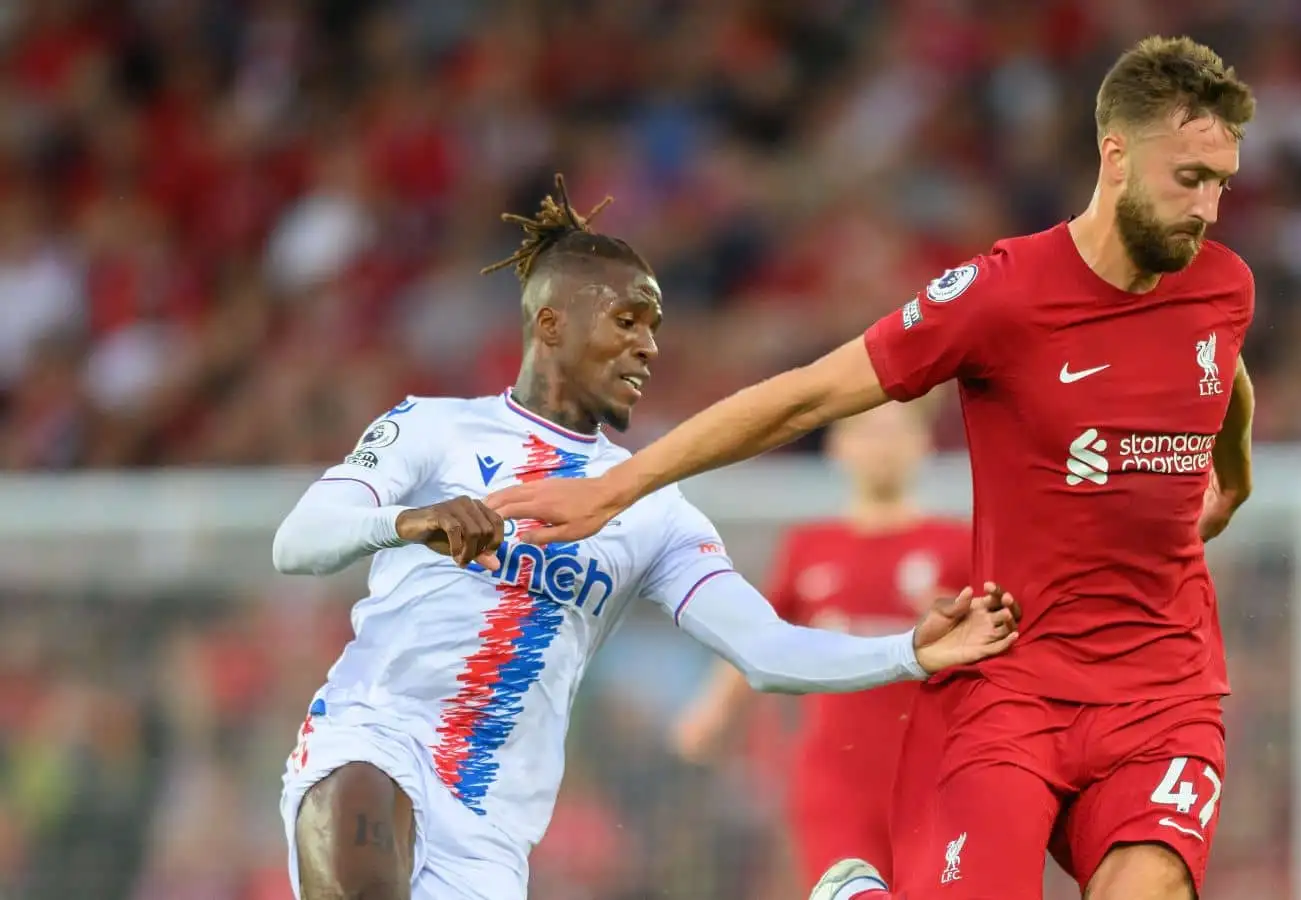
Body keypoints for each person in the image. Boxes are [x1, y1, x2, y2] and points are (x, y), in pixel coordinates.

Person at [485, 35, 1257, 900]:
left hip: (1166, 693)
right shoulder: (1003, 293)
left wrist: (1235, 475)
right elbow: (808, 396)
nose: (1208, 208)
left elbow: (1220, 368)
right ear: (1116, 155)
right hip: (1013, 686)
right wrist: (617, 485)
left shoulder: (1221, 285)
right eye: (1188, 178)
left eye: (1221, 182)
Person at [269, 177, 1021, 900]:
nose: (648, 348)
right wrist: (408, 522)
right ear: (551, 323)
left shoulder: (656, 512)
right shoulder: (431, 427)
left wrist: (909, 653)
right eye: (627, 321)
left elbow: (765, 651)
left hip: (489, 819)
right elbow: (298, 542)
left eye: (654, 329)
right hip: (371, 732)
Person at [671, 399, 970, 887]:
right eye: (869, 432)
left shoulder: (958, 547)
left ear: (924, 444)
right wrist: (714, 711)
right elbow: (763, 639)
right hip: (836, 778)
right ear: (840, 447)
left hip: (935, 778)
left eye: (896, 433)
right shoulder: (809, 547)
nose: (883, 447)